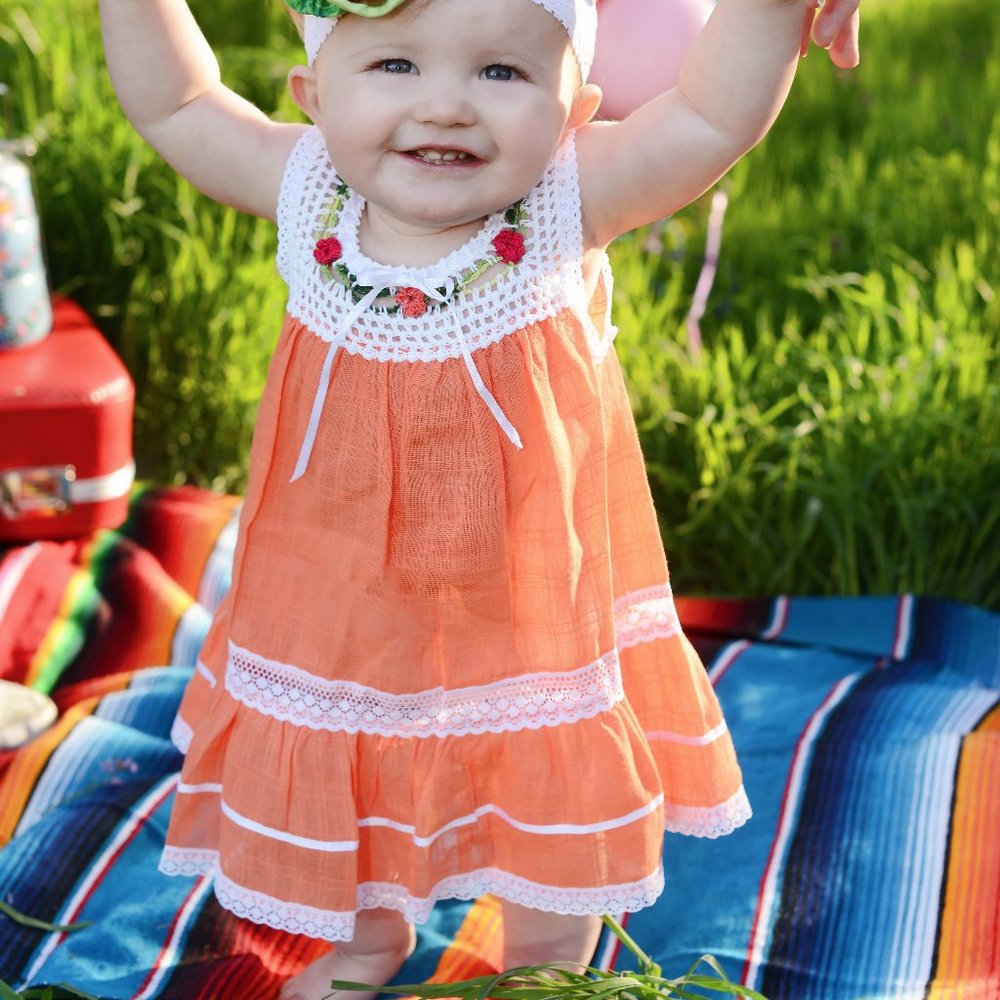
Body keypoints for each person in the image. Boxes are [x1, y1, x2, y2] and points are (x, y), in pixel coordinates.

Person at [99, 0, 861, 996]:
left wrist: (768, 10)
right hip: (342, 600)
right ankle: (365, 938)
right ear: (312, 93)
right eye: (396, 65)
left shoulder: (567, 198)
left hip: (527, 601)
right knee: (353, 750)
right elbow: (180, 103)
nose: (447, 106)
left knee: (542, 759)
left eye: (502, 73)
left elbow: (712, 117)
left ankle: (542, 965)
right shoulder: (308, 189)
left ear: (574, 109)